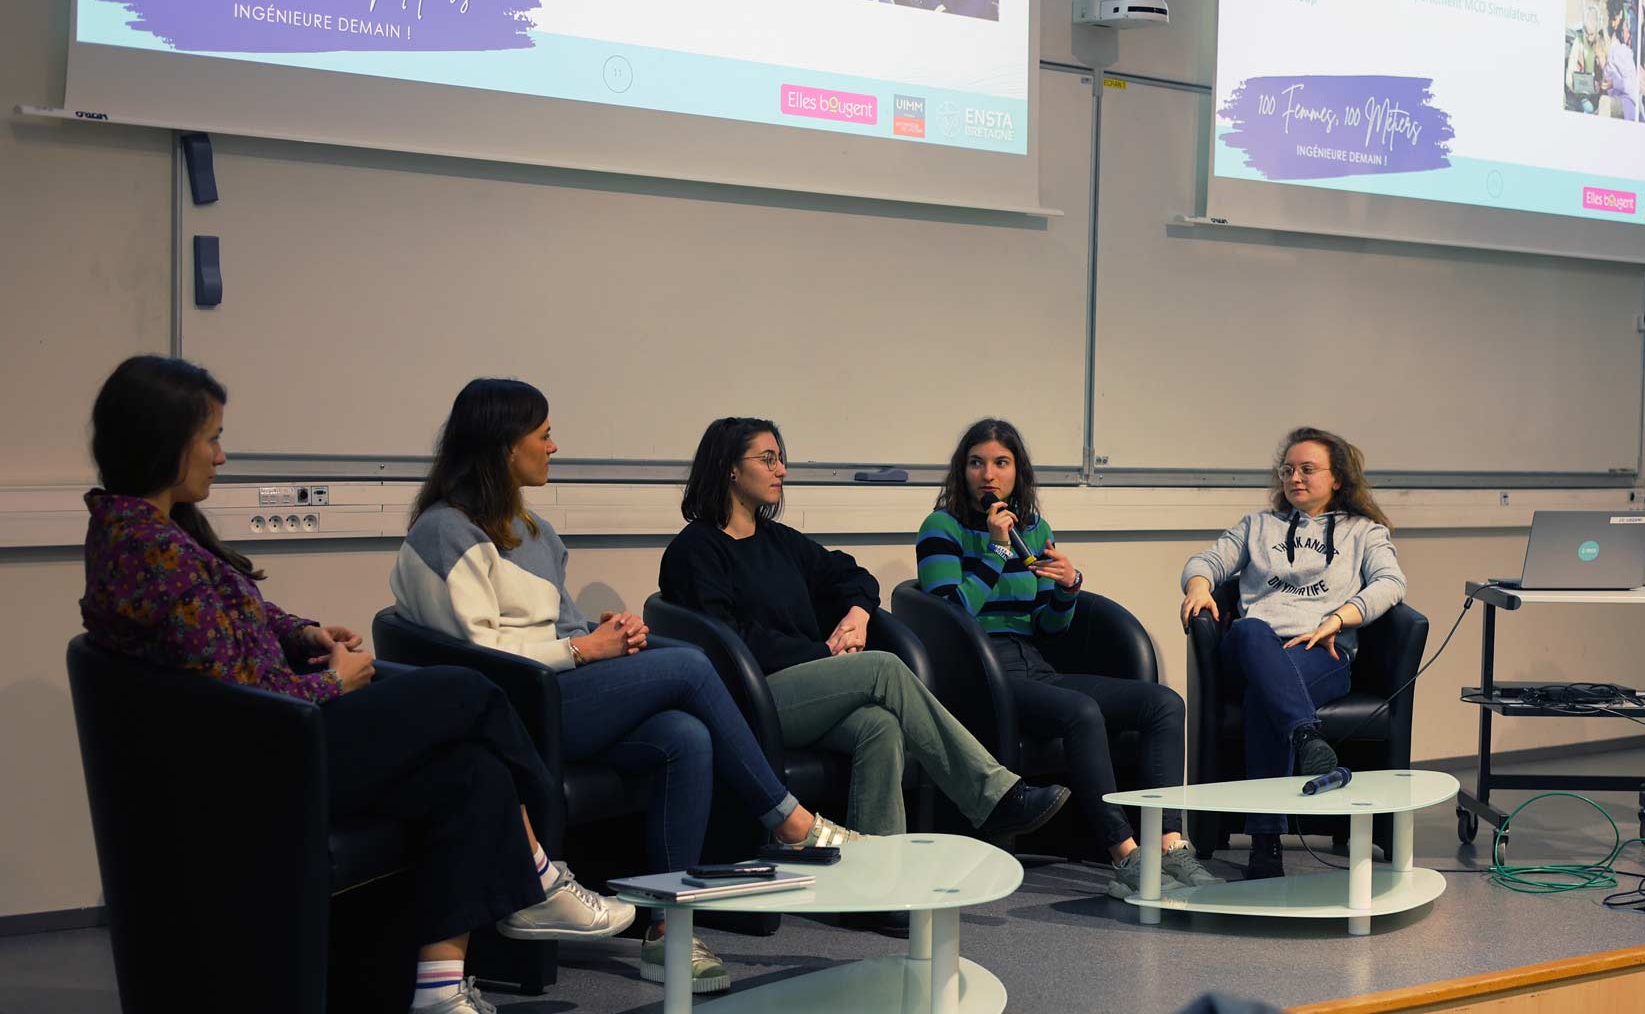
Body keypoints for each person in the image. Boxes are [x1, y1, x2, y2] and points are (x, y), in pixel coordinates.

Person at [78, 357, 630, 1014]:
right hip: (266, 755)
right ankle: (539, 876)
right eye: (212, 438)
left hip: (276, 736)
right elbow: (228, 695)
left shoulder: (152, 529)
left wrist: (304, 634)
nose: (222, 456)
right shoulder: (149, 549)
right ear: (163, 440)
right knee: (469, 692)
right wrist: (332, 684)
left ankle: (437, 990)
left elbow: (235, 624)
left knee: (473, 771)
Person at [390, 379, 858, 995]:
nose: (554, 447)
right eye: (544, 434)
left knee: (684, 735)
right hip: (511, 712)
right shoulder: (445, 532)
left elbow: (559, 629)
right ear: (505, 447)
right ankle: (785, 818)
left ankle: (668, 931)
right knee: (691, 665)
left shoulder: (531, 532)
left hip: (555, 692)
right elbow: (478, 659)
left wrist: (603, 634)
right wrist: (585, 649)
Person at [659, 416, 1069, 842]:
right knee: (883, 669)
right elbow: (731, 646)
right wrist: (823, 653)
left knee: (879, 725)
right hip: (747, 700)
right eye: (768, 459)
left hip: (804, 691)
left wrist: (857, 614)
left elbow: (854, 576)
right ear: (729, 466)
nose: (781, 469)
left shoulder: (779, 540)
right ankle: (993, 796)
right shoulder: (695, 552)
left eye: (781, 458)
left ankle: (878, 879)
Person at [916, 419, 1215, 898]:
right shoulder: (941, 528)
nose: (987, 475)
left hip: (1034, 665)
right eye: (976, 463)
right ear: (962, 471)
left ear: (1018, 473)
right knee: (1081, 711)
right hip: (980, 675)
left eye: (1000, 463)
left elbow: (1048, 627)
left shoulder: (1033, 530)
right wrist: (994, 550)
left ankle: (1170, 843)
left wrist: (1068, 588)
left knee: (1164, 702)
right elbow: (952, 614)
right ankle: (1124, 854)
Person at [1179, 428, 1407, 880]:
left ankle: (1266, 844)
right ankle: (1306, 735)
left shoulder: (1364, 532)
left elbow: (1391, 584)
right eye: (1287, 470)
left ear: (1337, 477)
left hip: (1319, 650)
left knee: (1265, 699)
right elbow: (1204, 561)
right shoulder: (1256, 526)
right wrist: (1200, 586)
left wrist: (1340, 618)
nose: (1294, 478)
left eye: (1307, 469)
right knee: (1248, 630)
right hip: (1251, 649)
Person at [1564, 0, 1608, 114]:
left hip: (1598, 95)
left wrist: (1600, 85)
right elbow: (1569, 74)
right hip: (1580, 94)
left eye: (1592, 34)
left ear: (1598, 29)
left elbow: (1608, 74)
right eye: (1586, 33)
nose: (1588, 38)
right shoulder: (1578, 41)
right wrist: (1576, 87)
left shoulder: (1603, 42)